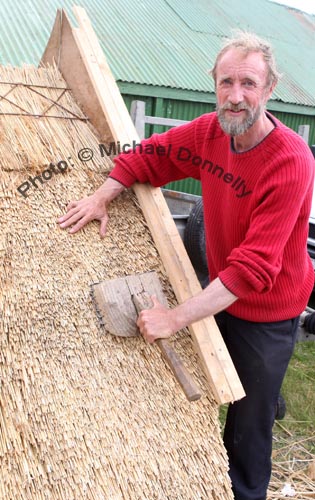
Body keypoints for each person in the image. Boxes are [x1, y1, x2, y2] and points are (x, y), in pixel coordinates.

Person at [58, 32, 315, 500]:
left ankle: (247, 487)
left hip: (268, 310)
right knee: (211, 392)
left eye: (249, 84)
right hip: (222, 292)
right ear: (214, 85)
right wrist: (101, 196)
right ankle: (262, 391)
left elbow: (254, 270)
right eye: (226, 82)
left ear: (270, 87)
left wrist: (175, 317)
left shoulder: (291, 160)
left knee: (248, 430)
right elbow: (146, 158)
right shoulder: (210, 133)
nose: (236, 96)